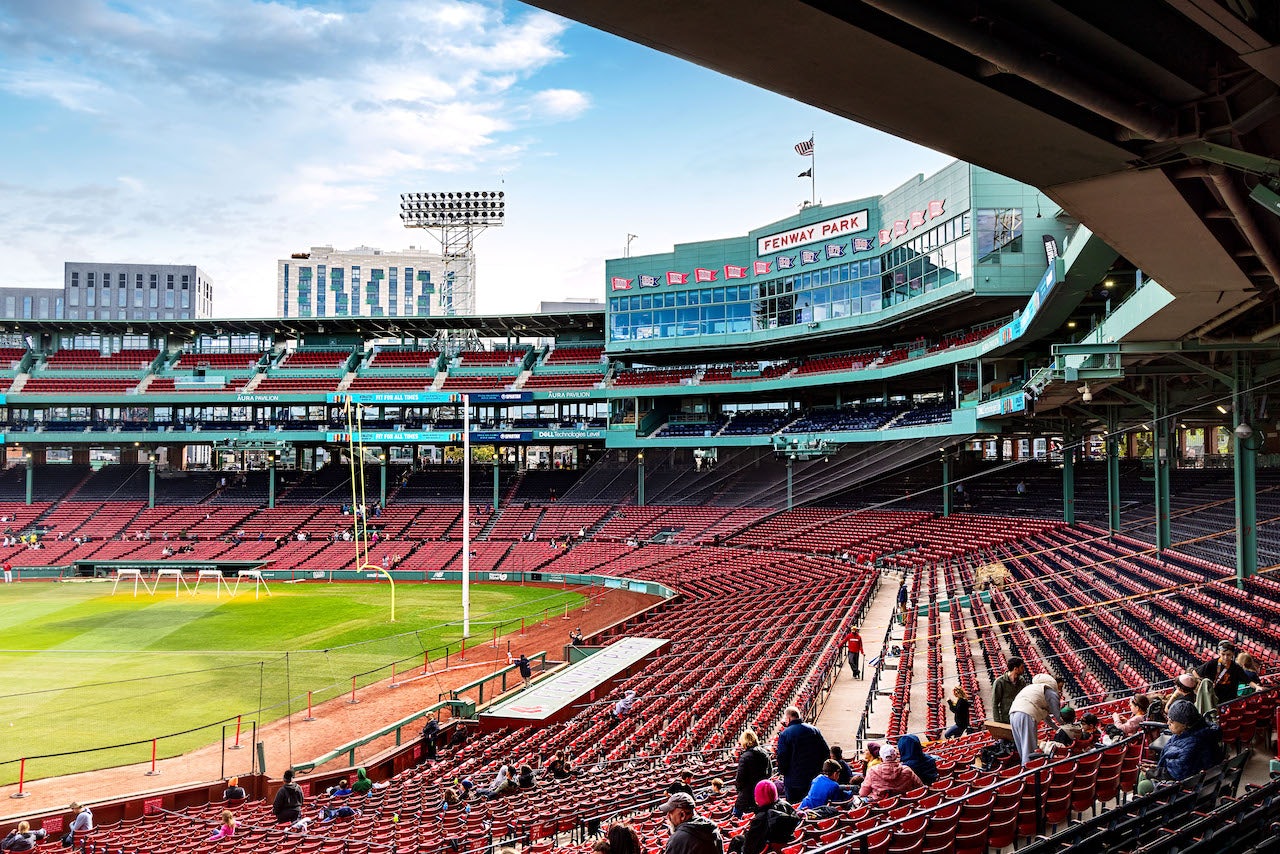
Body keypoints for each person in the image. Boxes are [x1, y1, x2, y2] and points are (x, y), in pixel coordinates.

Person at [1138, 700, 1221, 795]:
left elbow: (1178, 774)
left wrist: (1153, 772)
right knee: (1142, 774)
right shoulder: (1198, 733)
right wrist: (1156, 768)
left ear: (1185, 724)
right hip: (1197, 782)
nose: (1168, 722)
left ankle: (1144, 809)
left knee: (1143, 785)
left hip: (1187, 791)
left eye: (1172, 721)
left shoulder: (1192, 744)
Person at [728, 780, 801, 854]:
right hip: (784, 848)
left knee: (737, 840)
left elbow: (749, 849)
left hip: (765, 849)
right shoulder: (787, 806)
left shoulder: (761, 818)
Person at [776, 706, 830, 803]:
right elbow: (826, 752)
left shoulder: (785, 734)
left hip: (794, 781)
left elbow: (782, 758)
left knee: (795, 809)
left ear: (788, 718)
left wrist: (783, 772)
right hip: (814, 777)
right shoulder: (814, 730)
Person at [1009, 673, 1063, 765]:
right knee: (1029, 750)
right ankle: (1029, 772)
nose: (1060, 689)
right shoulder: (1050, 692)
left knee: (1022, 747)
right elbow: (1057, 715)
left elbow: (1046, 717)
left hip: (1013, 713)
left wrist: (1056, 728)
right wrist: (1064, 727)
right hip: (1026, 714)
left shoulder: (1034, 689)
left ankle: (1025, 768)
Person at [1195, 640, 1259, 705]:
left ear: (1233, 654)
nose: (1225, 657)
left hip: (1229, 700)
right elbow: (1195, 672)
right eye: (1223, 654)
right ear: (1219, 653)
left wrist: (1257, 686)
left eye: (1228, 655)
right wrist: (1200, 682)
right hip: (1213, 700)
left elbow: (1248, 681)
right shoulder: (1212, 663)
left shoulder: (1236, 667)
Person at [660, 791, 724, 854]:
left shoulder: (677, 840)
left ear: (682, 815)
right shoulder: (712, 829)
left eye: (670, 813)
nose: (667, 816)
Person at [733, 729, 773, 817]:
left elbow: (740, 779)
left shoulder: (745, 757)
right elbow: (770, 772)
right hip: (762, 794)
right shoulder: (765, 753)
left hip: (747, 795)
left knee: (736, 815)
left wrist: (739, 789)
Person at [991, 657, 1029, 725]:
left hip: (1018, 718)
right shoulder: (999, 682)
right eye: (1022, 667)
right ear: (1015, 669)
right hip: (1005, 719)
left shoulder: (1022, 681)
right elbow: (995, 703)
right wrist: (997, 722)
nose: (1023, 670)